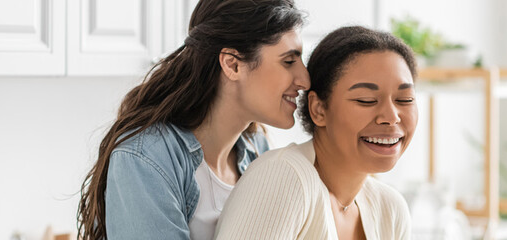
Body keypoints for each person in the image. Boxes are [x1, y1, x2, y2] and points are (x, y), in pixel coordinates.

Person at [76, 0, 308, 239]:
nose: (305, 80)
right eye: (289, 61)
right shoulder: (145, 159)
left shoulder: (258, 151)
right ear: (232, 64)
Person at [215, 26, 418, 240]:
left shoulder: (391, 209)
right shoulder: (284, 176)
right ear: (318, 109)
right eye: (365, 100)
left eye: (405, 100)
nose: (391, 116)